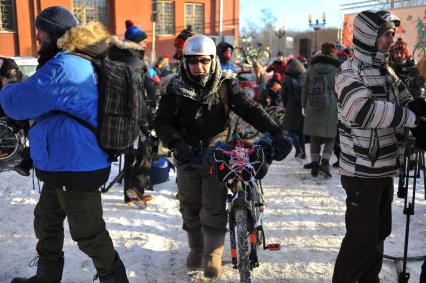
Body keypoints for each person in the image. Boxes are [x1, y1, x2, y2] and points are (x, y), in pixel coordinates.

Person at [0, 7, 128, 282]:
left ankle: (115, 278)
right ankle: (47, 276)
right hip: (65, 161)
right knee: (46, 220)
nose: (36, 37)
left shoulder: (65, 67)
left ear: (55, 34)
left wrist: (6, 86)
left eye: (40, 32)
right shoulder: (70, 60)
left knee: (88, 232)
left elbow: (18, 103)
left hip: (76, 163)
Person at [154, 35, 292, 279]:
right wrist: (176, 142)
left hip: (217, 154)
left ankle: (212, 254)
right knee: (189, 207)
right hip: (186, 154)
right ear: (185, 62)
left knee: (213, 207)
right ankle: (196, 248)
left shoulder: (225, 85)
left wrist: (276, 131)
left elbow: (250, 109)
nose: (199, 68)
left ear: (213, 60)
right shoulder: (173, 88)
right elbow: (162, 122)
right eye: (193, 62)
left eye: (204, 61)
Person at [332, 10, 423, 283]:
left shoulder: (386, 70)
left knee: (379, 234)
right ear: (368, 36)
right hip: (362, 170)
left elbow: (404, 98)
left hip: (383, 168)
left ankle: (369, 279)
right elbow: (364, 112)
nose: (391, 39)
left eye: (393, 34)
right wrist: (410, 118)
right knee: (361, 238)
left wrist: (417, 108)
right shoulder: (348, 72)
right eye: (386, 34)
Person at [116, 20, 154, 208]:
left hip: (120, 118)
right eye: (144, 41)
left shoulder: (118, 58)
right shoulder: (134, 62)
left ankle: (129, 195)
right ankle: (136, 189)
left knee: (132, 153)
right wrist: (145, 121)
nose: (146, 44)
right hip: (135, 118)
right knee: (145, 152)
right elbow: (137, 95)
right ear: (135, 43)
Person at [302, 42, 340, 177]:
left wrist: (303, 105)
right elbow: (340, 90)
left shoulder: (312, 67)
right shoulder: (337, 69)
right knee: (330, 136)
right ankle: (325, 161)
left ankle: (314, 163)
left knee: (315, 136)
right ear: (333, 52)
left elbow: (305, 87)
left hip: (312, 105)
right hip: (331, 107)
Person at [282, 58, 306, 159]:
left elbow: (283, 93)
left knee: (291, 131)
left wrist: (285, 104)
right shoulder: (304, 76)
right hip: (302, 107)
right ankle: (303, 153)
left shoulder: (287, 78)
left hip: (291, 106)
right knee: (301, 132)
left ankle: (298, 149)